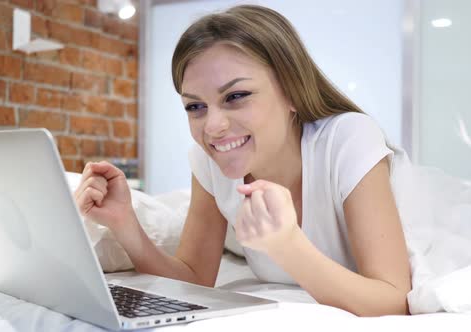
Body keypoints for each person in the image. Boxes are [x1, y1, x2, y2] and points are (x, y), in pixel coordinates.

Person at [74, 5, 412, 316]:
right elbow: (193, 278)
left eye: (236, 96)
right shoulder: (209, 160)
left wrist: (287, 247)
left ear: (292, 91)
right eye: (195, 107)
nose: (213, 127)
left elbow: (394, 300)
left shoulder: (348, 137)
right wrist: (124, 224)